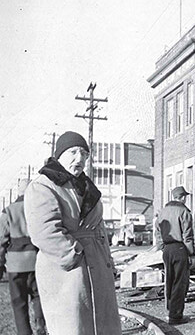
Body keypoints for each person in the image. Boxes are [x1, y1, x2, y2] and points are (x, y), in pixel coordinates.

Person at [24, 131, 121, 334]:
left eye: (85, 154)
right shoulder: (43, 185)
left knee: (102, 326)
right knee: (73, 326)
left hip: (97, 267)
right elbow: (44, 231)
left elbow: (99, 228)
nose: (80, 159)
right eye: (73, 152)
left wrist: (108, 262)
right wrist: (75, 255)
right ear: (59, 155)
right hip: (67, 273)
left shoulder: (87, 186)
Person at [0, 179, 47, 335]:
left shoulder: (9, 211)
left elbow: (1, 241)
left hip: (15, 265)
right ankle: (41, 327)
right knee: (39, 297)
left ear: (19, 191)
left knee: (19, 303)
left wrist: (0, 265)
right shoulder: (38, 209)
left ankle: (24, 332)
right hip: (36, 261)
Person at [156, 186, 195, 325]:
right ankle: (176, 315)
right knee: (180, 281)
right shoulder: (184, 211)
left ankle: (169, 311)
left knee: (169, 280)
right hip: (180, 248)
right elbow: (187, 236)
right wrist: (191, 254)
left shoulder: (162, 211)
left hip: (167, 249)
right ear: (183, 197)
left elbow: (157, 231)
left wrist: (162, 247)